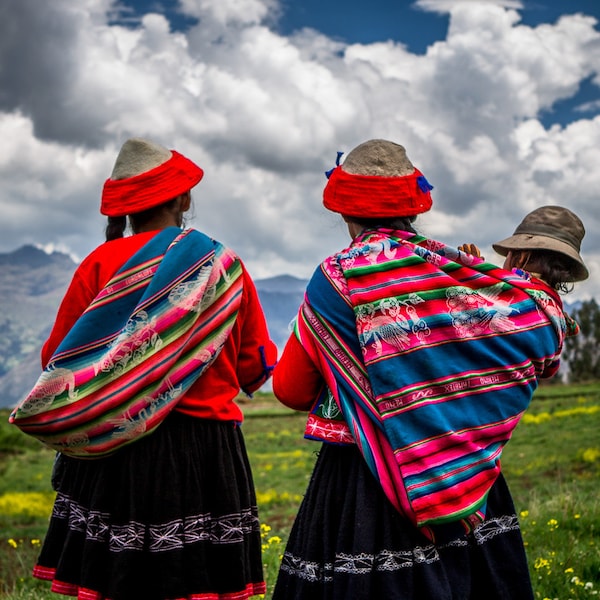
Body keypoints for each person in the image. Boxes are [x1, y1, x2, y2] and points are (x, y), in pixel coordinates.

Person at [271, 139, 588, 600]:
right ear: (415, 209)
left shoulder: (336, 278)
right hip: (464, 477)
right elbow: (540, 331)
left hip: (365, 480)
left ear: (343, 212)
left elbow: (292, 389)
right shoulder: (468, 275)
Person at [17, 138, 278, 600]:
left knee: (118, 585)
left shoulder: (97, 265)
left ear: (125, 209)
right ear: (183, 199)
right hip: (204, 452)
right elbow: (253, 365)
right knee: (196, 586)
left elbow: (56, 362)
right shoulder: (221, 265)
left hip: (117, 450)